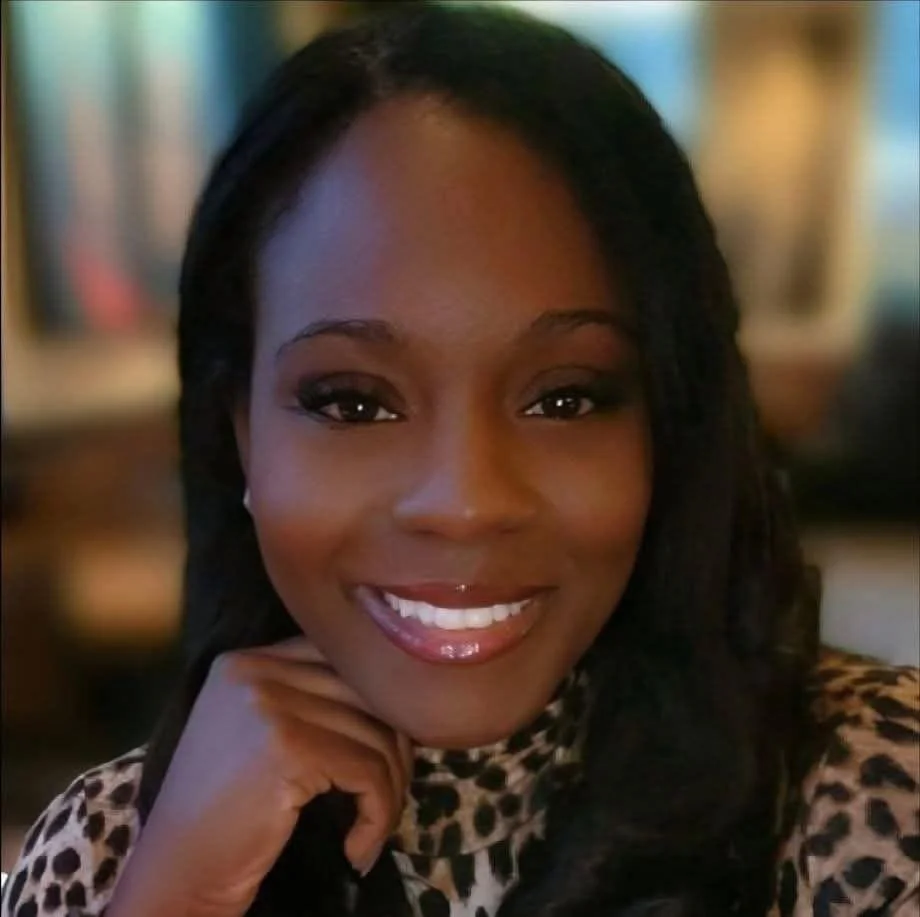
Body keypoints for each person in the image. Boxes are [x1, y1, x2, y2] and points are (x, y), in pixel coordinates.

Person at [2, 5, 918, 917]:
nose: (466, 501)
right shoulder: (109, 850)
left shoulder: (874, 797)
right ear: (240, 429)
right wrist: (180, 893)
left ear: (669, 423)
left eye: (565, 398)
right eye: (353, 401)